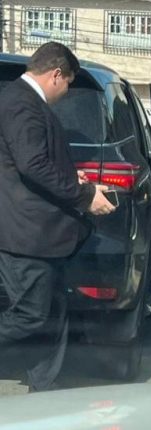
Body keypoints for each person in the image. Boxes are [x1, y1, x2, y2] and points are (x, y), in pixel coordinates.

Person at [0, 42, 116, 391]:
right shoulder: (21, 103)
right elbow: (32, 165)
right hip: (27, 235)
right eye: (68, 84)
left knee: (54, 311)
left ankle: (44, 387)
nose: (66, 93)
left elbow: (31, 161)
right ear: (56, 75)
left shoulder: (23, 101)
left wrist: (72, 177)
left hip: (45, 234)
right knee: (31, 316)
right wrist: (85, 196)